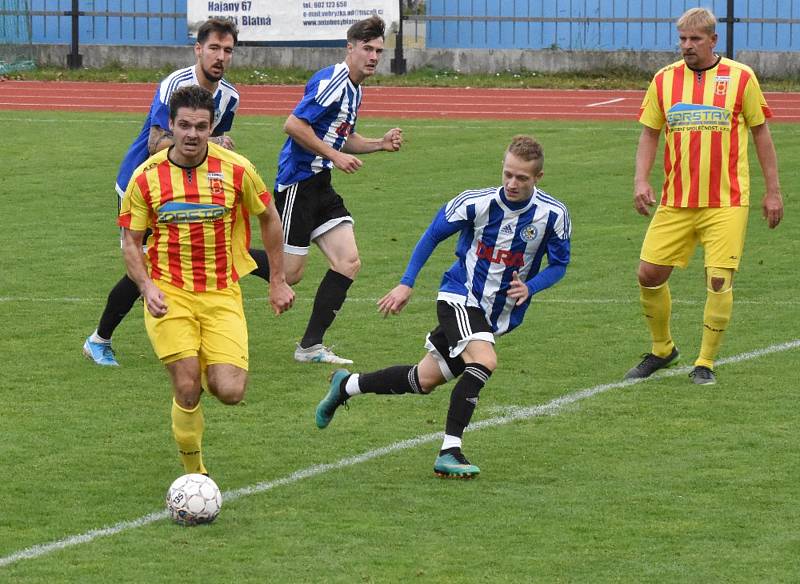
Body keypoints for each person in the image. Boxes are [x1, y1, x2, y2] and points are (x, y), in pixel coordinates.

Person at [314, 136, 571, 478]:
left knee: (422, 379)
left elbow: (559, 264)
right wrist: (407, 282)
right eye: (507, 174)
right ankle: (450, 450)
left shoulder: (553, 215)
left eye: (521, 178)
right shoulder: (474, 203)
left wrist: (532, 285)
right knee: (484, 360)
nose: (511, 183)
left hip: (494, 314)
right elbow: (432, 235)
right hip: (460, 296)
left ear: (538, 177)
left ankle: (346, 386)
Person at [118, 85, 294, 475]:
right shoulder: (146, 178)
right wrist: (147, 288)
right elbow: (130, 243)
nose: (192, 134)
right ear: (171, 125)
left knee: (230, 391)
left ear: (212, 125)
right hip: (170, 294)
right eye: (184, 126)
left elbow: (268, 216)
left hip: (221, 293)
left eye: (200, 126)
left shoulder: (236, 168)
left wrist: (277, 280)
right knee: (186, 386)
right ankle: (195, 474)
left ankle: (201, 367)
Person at [625, 7, 784, 386]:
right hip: (676, 201)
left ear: (714, 40)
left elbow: (761, 133)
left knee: (717, 280)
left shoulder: (741, 77)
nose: (687, 46)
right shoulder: (663, 80)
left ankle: (705, 363)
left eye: (695, 39)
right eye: (682, 39)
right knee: (648, 274)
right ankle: (663, 349)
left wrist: (773, 192)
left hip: (726, 201)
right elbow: (650, 132)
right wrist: (641, 180)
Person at [84, 17, 241, 366]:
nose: (220, 56)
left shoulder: (230, 97)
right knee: (144, 265)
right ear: (198, 49)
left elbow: (208, 150)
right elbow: (158, 143)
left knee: (184, 259)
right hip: (142, 184)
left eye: (227, 50)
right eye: (213, 48)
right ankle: (99, 339)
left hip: (185, 187)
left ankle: (188, 336)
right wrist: (215, 142)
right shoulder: (175, 84)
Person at [248, 15, 403, 365]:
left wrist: (380, 143)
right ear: (350, 48)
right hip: (298, 183)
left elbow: (343, 136)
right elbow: (293, 124)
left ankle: (310, 347)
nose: (374, 56)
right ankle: (225, 256)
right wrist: (334, 155)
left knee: (348, 262)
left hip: (321, 184)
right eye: (367, 49)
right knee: (290, 274)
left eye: (378, 50)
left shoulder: (355, 88)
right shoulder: (334, 80)